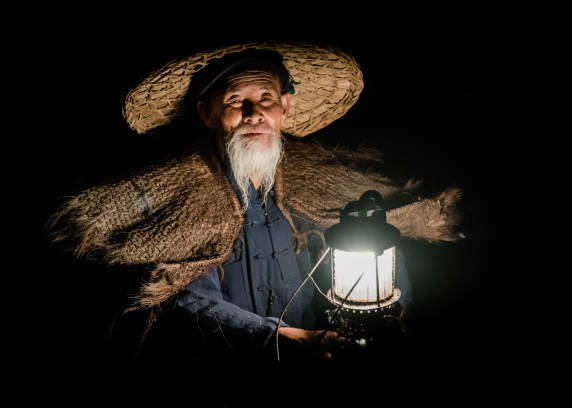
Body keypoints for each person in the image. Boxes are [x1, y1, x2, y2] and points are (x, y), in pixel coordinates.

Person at [48, 42, 461, 367]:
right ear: (208, 115)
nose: (252, 113)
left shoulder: (313, 179)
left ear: (284, 107)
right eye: (233, 100)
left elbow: (378, 243)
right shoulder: (185, 193)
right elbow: (190, 299)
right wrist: (287, 338)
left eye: (265, 97)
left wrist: (393, 307)